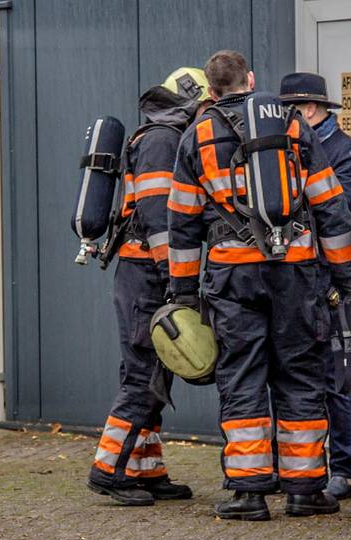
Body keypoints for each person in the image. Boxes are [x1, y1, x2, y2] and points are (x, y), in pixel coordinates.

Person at [166, 51, 351, 521]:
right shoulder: (291, 124)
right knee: (300, 374)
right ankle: (305, 490)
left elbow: (183, 221)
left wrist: (184, 291)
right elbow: (329, 203)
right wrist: (344, 274)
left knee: (242, 376)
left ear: (211, 90)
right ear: (251, 80)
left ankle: (249, 492)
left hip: (232, 275)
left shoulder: (197, 134)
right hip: (295, 270)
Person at [88, 68, 211, 506]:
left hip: (145, 272)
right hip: (147, 274)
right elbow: (160, 221)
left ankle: (146, 468)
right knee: (142, 375)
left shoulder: (166, 136)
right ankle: (108, 470)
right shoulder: (162, 141)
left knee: (157, 374)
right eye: (205, 107)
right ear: (191, 102)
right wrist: (175, 281)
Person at [280, 72, 351, 500]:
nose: (283, 119)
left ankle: (344, 470)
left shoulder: (345, 153)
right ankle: (300, 468)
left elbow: (337, 212)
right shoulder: (282, 150)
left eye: (290, 111)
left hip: (326, 277)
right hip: (290, 277)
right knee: (292, 374)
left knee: (335, 375)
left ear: (310, 110)